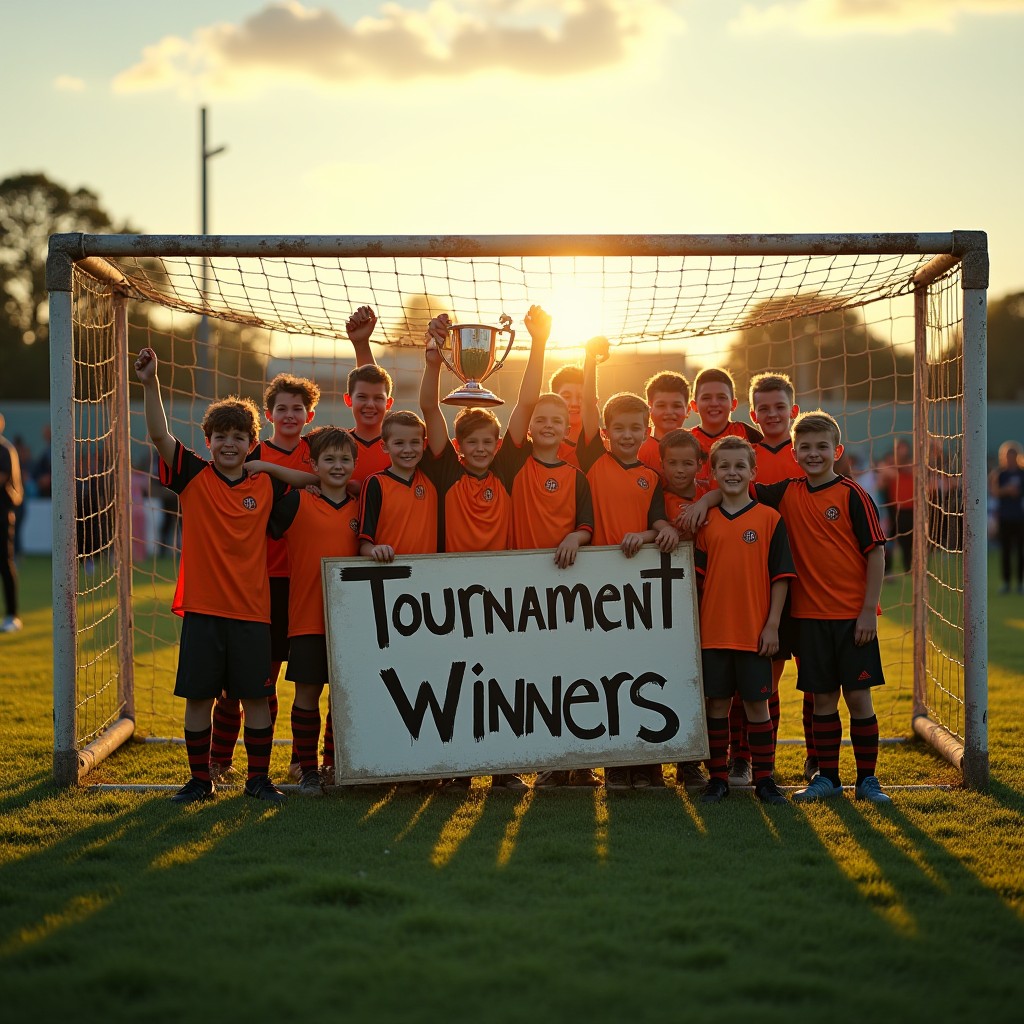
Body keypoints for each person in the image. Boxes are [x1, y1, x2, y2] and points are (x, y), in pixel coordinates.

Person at [685, 410, 891, 804]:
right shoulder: (786, 492)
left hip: (852, 618)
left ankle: (868, 780)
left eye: (821, 447)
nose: (813, 454)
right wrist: (705, 500)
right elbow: (734, 489)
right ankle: (827, 777)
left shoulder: (852, 494)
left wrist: (869, 610)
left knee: (859, 699)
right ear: (794, 453)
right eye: (806, 448)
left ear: (837, 450)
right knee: (825, 701)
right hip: (809, 618)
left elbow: (876, 554)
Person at [134, 346, 289, 804]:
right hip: (202, 610)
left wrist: (270, 466)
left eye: (239, 437)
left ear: (251, 442)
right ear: (208, 441)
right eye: (220, 435)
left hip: (252, 613)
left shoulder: (265, 484)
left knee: (257, 700)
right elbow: (161, 436)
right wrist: (149, 383)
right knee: (199, 699)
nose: (229, 444)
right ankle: (200, 780)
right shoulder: (193, 477)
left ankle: (258, 780)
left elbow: (309, 481)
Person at [420, 306, 551, 789]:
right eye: (471, 442)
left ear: (499, 443)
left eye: (487, 441)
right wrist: (433, 364)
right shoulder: (447, 469)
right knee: (457, 681)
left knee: (505, 681)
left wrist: (539, 341)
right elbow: (430, 410)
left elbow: (527, 403)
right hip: (453, 594)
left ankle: (504, 768)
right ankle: (456, 768)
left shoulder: (507, 467)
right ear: (458, 447)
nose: (480, 448)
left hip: (503, 596)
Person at [492, 318, 595, 787]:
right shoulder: (514, 461)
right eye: (540, 419)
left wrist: (576, 537)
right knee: (516, 677)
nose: (547, 424)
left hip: (566, 589)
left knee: (566, 676)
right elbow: (526, 398)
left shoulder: (578, 475)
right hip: (517, 588)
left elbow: (587, 527)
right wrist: (540, 343)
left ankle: (566, 763)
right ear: (529, 426)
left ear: (567, 426)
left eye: (557, 419)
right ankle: (505, 767)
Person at [577, 336, 680, 790]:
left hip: (639, 592)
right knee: (605, 674)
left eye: (636, 428)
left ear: (646, 432)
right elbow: (589, 404)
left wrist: (653, 533)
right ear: (605, 432)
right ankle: (617, 762)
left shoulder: (650, 476)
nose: (627, 435)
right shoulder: (592, 462)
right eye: (619, 427)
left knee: (643, 671)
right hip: (595, 588)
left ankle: (649, 761)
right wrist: (588, 361)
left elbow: (662, 527)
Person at [209, 372, 321, 786]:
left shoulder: (319, 449)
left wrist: (270, 469)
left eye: (297, 409)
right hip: (264, 580)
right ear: (270, 414)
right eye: (282, 409)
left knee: (313, 680)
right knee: (253, 679)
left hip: (310, 578)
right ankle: (220, 760)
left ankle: (303, 762)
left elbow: (330, 478)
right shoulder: (248, 451)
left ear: (309, 415)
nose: (290, 415)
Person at [258, 426, 361, 796]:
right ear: (313, 464)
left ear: (355, 463)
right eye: (328, 460)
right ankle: (309, 770)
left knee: (346, 696)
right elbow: (257, 529)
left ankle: (337, 765)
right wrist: (265, 467)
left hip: (353, 623)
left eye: (345, 459)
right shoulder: (296, 502)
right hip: (306, 617)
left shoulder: (363, 504)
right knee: (307, 694)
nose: (337, 466)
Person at [692, 436, 793, 806]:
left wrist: (771, 626)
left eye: (739, 466)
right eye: (724, 466)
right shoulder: (707, 522)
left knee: (757, 707)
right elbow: (699, 581)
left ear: (753, 471)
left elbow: (781, 577)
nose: (732, 472)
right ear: (712, 472)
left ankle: (764, 780)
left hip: (754, 633)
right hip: (714, 632)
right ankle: (717, 779)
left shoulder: (770, 519)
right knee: (716, 707)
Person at [688, 367, 763, 785]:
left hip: (751, 561)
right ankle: (702, 760)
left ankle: (746, 759)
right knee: (711, 683)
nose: (714, 403)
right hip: (701, 563)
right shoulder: (678, 443)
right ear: (694, 405)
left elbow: (748, 485)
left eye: (722, 396)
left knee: (755, 684)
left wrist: (713, 497)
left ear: (733, 403)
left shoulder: (748, 438)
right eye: (706, 397)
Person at [658, 427, 709, 791]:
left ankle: (691, 762)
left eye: (687, 463)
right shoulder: (656, 499)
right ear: (661, 464)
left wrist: (705, 502)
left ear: (699, 465)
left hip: (706, 601)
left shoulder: (712, 496)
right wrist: (660, 530)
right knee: (665, 678)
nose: (679, 469)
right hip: (664, 606)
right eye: (672, 463)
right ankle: (654, 759)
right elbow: (649, 528)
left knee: (699, 682)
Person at [638, 370, 691, 478]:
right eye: (661, 405)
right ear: (649, 409)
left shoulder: (698, 446)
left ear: (688, 410)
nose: (669, 412)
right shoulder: (638, 449)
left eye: (676, 406)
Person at [990, 441, 1024, 595]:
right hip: (1005, 517)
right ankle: (1006, 582)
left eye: (1013, 455)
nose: (1010, 458)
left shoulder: (1022, 473)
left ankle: (1020, 584)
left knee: (1021, 552)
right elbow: (995, 492)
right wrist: (1007, 490)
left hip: (1020, 517)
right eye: (1007, 455)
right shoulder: (1000, 474)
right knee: (1006, 551)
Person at [0, 414, 24, 633]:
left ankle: (12, 615)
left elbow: (3, 477)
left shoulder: (5, 449)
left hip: (2, 513)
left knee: (5, 564)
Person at [879, 437, 914, 573]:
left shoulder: (913, 466)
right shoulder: (890, 468)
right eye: (899, 449)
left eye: (904, 449)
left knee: (909, 541)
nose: (902, 452)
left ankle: (909, 567)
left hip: (911, 509)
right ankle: (887, 569)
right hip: (893, 509)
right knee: (888, 540)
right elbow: (884, 475)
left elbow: (912, 469)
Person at [547, 363, 585, 467]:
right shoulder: (541, 446)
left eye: (581, 397)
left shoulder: (606, 446)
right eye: (566, 396)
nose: (574, 403)